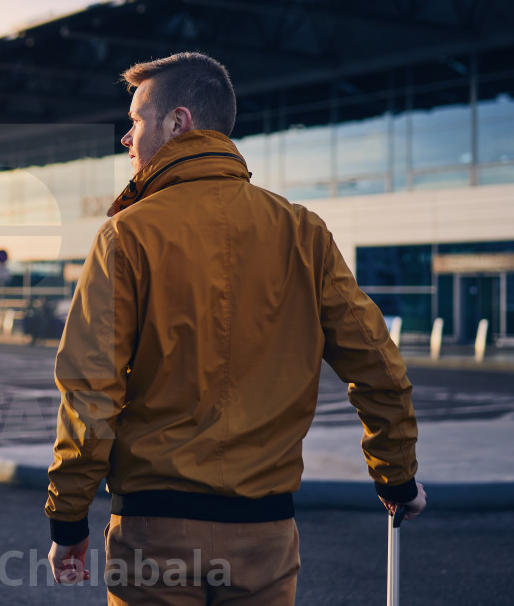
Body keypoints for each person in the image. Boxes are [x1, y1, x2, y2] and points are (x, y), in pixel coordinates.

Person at [45, 52, 425, 604]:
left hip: (156, 531)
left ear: (178, 123)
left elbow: (90, 389)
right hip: (264, 537)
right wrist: (397, 476)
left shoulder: (126, 237)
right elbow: (376, 362)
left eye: (136, 122)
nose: (126, 139)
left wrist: (69, 518)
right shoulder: (301, 232)